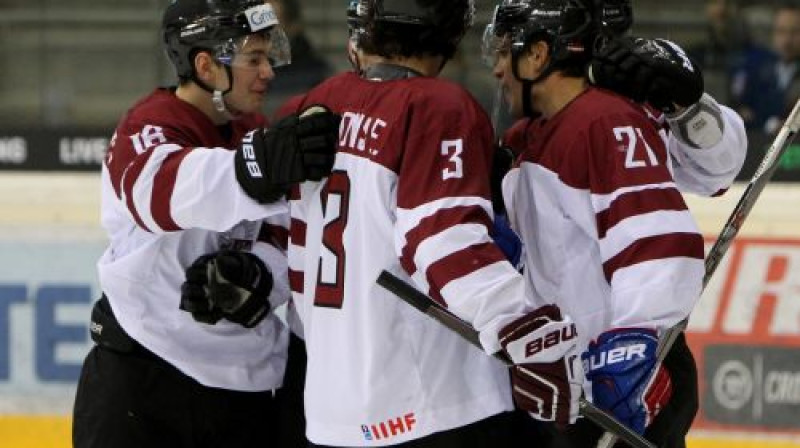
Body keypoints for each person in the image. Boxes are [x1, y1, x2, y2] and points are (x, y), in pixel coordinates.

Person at [278, 0, 589, 446]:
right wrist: (525, 328)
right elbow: (442, 240)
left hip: (334, 409)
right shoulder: (436, 107)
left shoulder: (313, 104)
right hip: (434, 404)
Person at [71, 1, 341, 447]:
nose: (268, 72)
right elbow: (161, 194)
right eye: (253, 59)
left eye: (268, 58)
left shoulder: (255, 132)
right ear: (206, 66)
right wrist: (250, 170)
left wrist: (257, 274)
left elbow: (290, 236)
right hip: (142, 382)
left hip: (241, 389)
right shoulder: (148, 127)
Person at [483, 1, 747, 448]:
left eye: (506, 51)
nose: (495, 69)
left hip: (620, 368)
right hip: (566, 375)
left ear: (541, 53)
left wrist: (630, 343)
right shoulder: (530, 137)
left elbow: (664, 234)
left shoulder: (607, 119)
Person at [732, 3, 800, 135]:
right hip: (758, 146)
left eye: (795, 32)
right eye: (781, 31)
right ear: (773, 34)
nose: (787, 40)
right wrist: (769, 124)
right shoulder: (755, 69)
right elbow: (742, 113)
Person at [266, 0, 334, 116]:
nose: (260, 33)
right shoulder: (242, 71)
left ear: (294, 27)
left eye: (270, 25)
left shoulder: (316, 75)